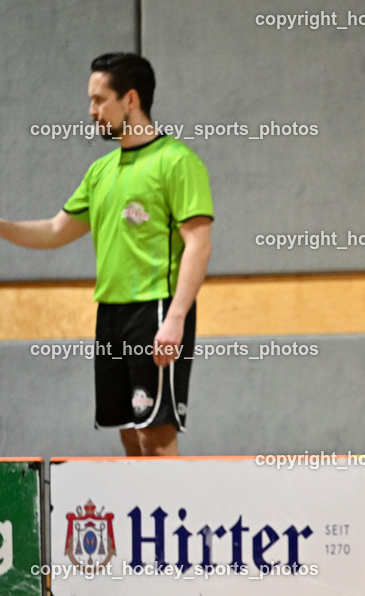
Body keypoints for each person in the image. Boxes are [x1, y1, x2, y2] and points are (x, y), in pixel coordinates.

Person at [0, 53, 213, 457]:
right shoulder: (100, 171)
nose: (92, 111)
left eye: (99, 100)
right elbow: (54, 231)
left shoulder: (177, 162)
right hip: (111, 313)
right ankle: (144, 520)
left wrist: (176, 319)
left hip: (154, 310)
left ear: (130, 99)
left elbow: (198, 244)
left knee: (156, 433)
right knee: (130, 432)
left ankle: (166, 519)